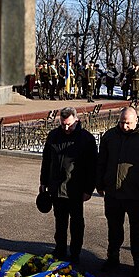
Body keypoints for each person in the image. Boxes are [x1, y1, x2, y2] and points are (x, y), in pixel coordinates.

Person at [95, 106, 139, 277]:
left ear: (136, 120)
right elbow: (101, 162)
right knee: (114, 227)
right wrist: (100, 183)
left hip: (137, 194)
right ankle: (112, 258)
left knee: (138, 230)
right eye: (122, 122)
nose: (124, 126)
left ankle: (138, 264)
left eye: (128, 123)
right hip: (113, 192)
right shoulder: (110, 136)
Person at [39, 107, 98, 263]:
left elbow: (92, 167)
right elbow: (46, 161)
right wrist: (43, 183)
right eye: (63, 124)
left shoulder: (86, 139)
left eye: (69, 125)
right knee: (60, 221)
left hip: (75, 189)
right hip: (56, 187)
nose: (66, 128)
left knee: (77, 223)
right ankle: (60, 249)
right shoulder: (53, 136)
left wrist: (88, 189)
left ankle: (75, 252)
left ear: (76, 120)